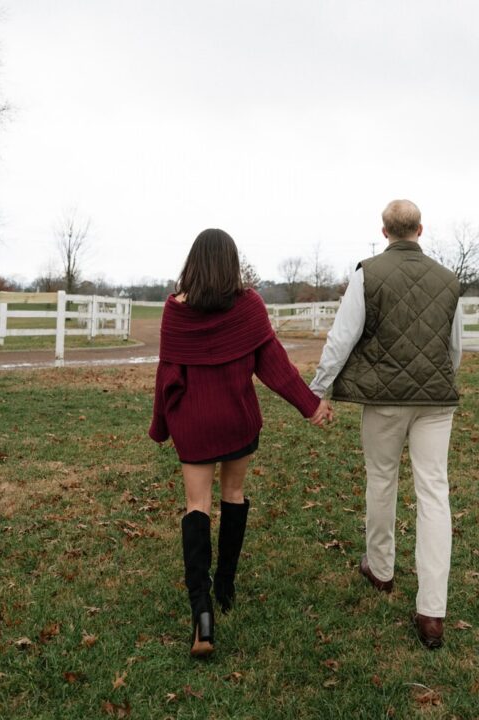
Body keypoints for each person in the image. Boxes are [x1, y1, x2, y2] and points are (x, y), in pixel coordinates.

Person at [149, 228, 332, 657]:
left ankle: (203, 615)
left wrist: (162, 424)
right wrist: (311, 406)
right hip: (237, 420)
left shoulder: (174, 312)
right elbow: (275, 365)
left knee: (197, 506)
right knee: (233, 494)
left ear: (193, 263)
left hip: (194, 423)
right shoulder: (249, 305)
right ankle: (226, 584)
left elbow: (167, 375)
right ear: (232, 263)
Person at [309, 199, 462, 649]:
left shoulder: (367, 273)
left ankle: (380, 569)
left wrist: (318, 388)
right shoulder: (448, 280)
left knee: (382, 479)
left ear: (384, 231)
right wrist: (440, 380)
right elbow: (455, 348)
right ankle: (432, 611)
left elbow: (342, 336)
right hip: (435, 400)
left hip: (384, 399)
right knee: (434, 491)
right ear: (420, 229)